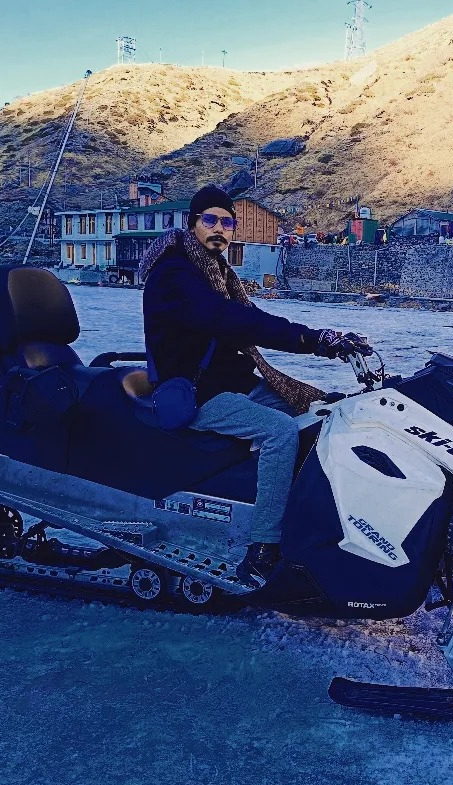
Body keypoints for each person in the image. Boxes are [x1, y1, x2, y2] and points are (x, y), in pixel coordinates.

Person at [141, 185, 371, 584]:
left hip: (230, 381)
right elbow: (233, 320)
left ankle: (316, 520)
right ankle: (264, 546)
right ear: (193, 224)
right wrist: (313, 339)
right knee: (280, 431)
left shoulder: (216, 271)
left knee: (321, 412)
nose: (219, 229)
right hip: (195, 392)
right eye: (210, 220)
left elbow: (248, 318)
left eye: (227, 222)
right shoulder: (175, 275)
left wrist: (327, 341)